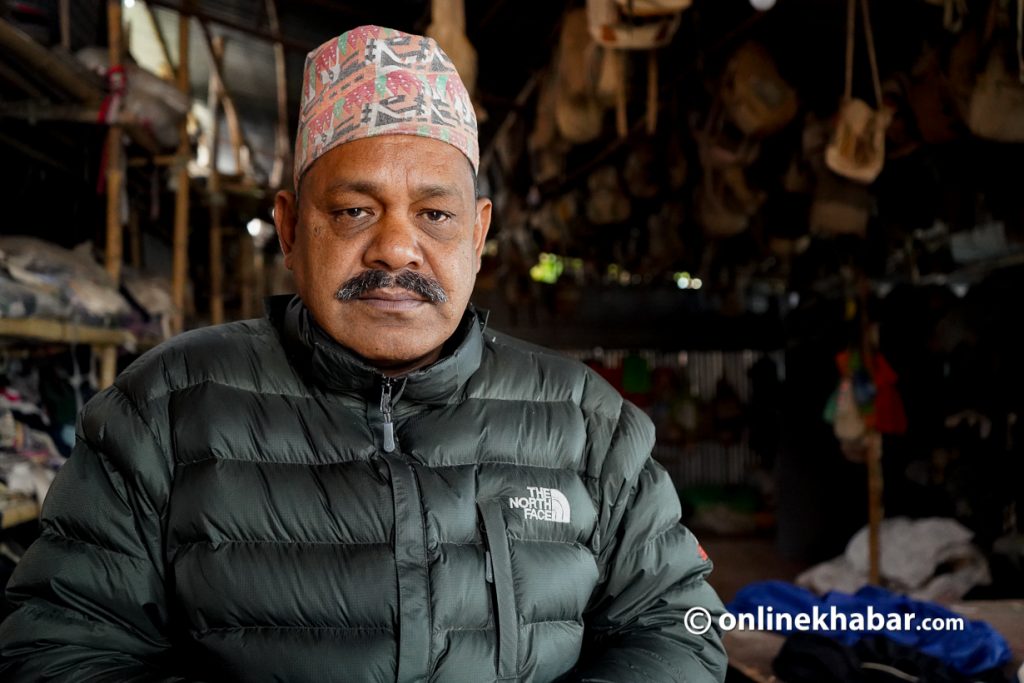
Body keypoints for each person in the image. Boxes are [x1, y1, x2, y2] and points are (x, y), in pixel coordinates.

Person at [0, 25, 727, 682]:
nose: (397, 248)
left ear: (477, 235)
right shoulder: (162, 410)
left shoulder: (587, 423)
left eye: (435, 215)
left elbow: (682, 628)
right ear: (288, 229)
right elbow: (59, 646)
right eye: (354, 210)